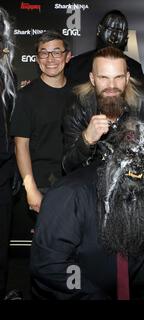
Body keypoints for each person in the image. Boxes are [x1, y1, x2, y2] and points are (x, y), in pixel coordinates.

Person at [30, 117, 144, 299]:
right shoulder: (71, 193)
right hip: (81, 274)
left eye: (143, 157)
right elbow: (50, 266)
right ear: (109, 154)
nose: (137, 164)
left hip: (128, 265)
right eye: (128, 154)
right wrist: (91, 295)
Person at [62, 46, 144, 182]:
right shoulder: (78, 105)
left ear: (127, 78)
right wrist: (87, 140)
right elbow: (67, 166)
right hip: (93, 188)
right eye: (104, 77)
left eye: (118, 77)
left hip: (136, 185)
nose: (111, 85)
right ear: (92, 79)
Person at [10, 31, 72, 213]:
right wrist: (31, 189)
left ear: (67, 57)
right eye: (44, 53)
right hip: (42, 185)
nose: (50, 58)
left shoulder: (80, 93)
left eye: (56, 52)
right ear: (37, 59)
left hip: (75, 182)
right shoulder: (25, 97)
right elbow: (21, 146)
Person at [65, 10, 143, 87]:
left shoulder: (135, 69)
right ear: (99, 30)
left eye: (120, 32)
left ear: (126, 37)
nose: (114, 36)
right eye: (110, 29)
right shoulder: (76, 65)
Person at [0, 6, 16, 299]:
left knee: (1, 239)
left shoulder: (8, 74)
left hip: (3, 169)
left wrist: (13, 162)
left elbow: (13, 124)